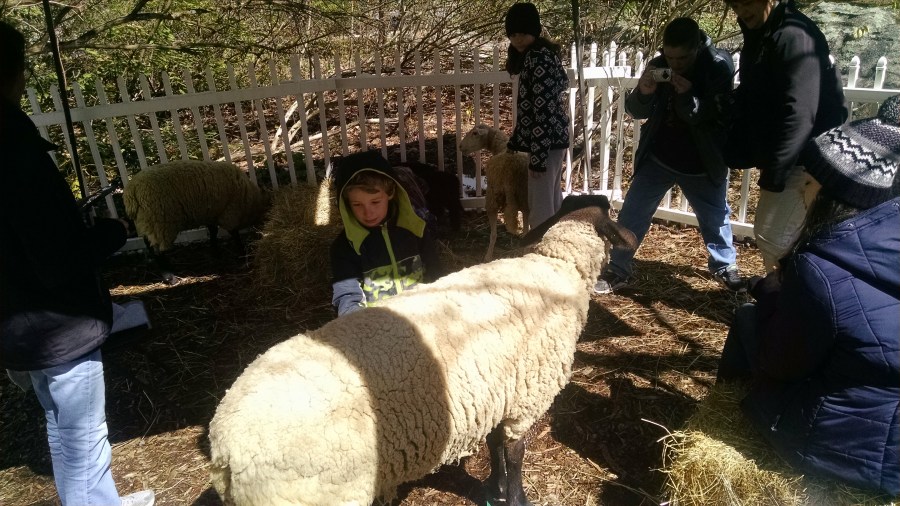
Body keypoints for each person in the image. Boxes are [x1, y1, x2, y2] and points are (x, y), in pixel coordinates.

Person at [0, 21, 155, 506]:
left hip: (17, 322)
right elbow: (55, 256)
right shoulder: (14, 151)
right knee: (85, 437)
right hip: (55, 324)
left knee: (61, 426)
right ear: (12, 74)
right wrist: (110, 234)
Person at [716, 95, 900, 496]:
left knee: (747, 317)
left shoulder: (819, 268)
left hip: (839, 448)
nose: (801, 188)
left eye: (811, 180)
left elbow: (781, 363)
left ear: (837, 197)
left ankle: (725, 414)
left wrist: (770, 294)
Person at [594, 17, 743, 294]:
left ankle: (725, 266)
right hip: (659, 156)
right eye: (670, 57)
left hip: (702, 160)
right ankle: (618, 268)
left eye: (682, 58)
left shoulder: (718, 66)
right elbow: (636, 111)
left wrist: (688, 95)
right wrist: (644, 92)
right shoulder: (658, 64)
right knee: (633, 212)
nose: (674, 64)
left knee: (715, 217)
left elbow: (713, 116)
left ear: (697, 47)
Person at [723, 0, 847, 273]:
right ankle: (787, 294)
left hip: (806, 159)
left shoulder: (793, 35)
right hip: (789, 156)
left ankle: (788, 295)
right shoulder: (764, 33)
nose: (742, 11)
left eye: (747, 3)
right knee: (788, 237)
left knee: (773, 234)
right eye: (735, 5)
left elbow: (800, 113)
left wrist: (775, 174)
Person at [330, 150, 444, 316]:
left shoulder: (415, 230)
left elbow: (436, 276)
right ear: (346, 203)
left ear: (390, 192)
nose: (368, 213)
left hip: (423, 316)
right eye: (357, 205)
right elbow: (348, 297)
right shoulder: (344, 248)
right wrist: (359, 324)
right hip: (376, 325)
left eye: (375, 202)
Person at [503, 2, 570, 230]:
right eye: (513, 34)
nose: (518, 39)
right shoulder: (535, 56)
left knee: (540, 206)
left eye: (523, 33)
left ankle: (541, 246)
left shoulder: (539, 59)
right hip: (551, 141)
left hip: (547, 143)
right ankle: (555, 243)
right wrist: (516, 141)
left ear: (534, 31)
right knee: (551, 201)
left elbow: (544, 110)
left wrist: (538, 158)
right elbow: (531, 109)